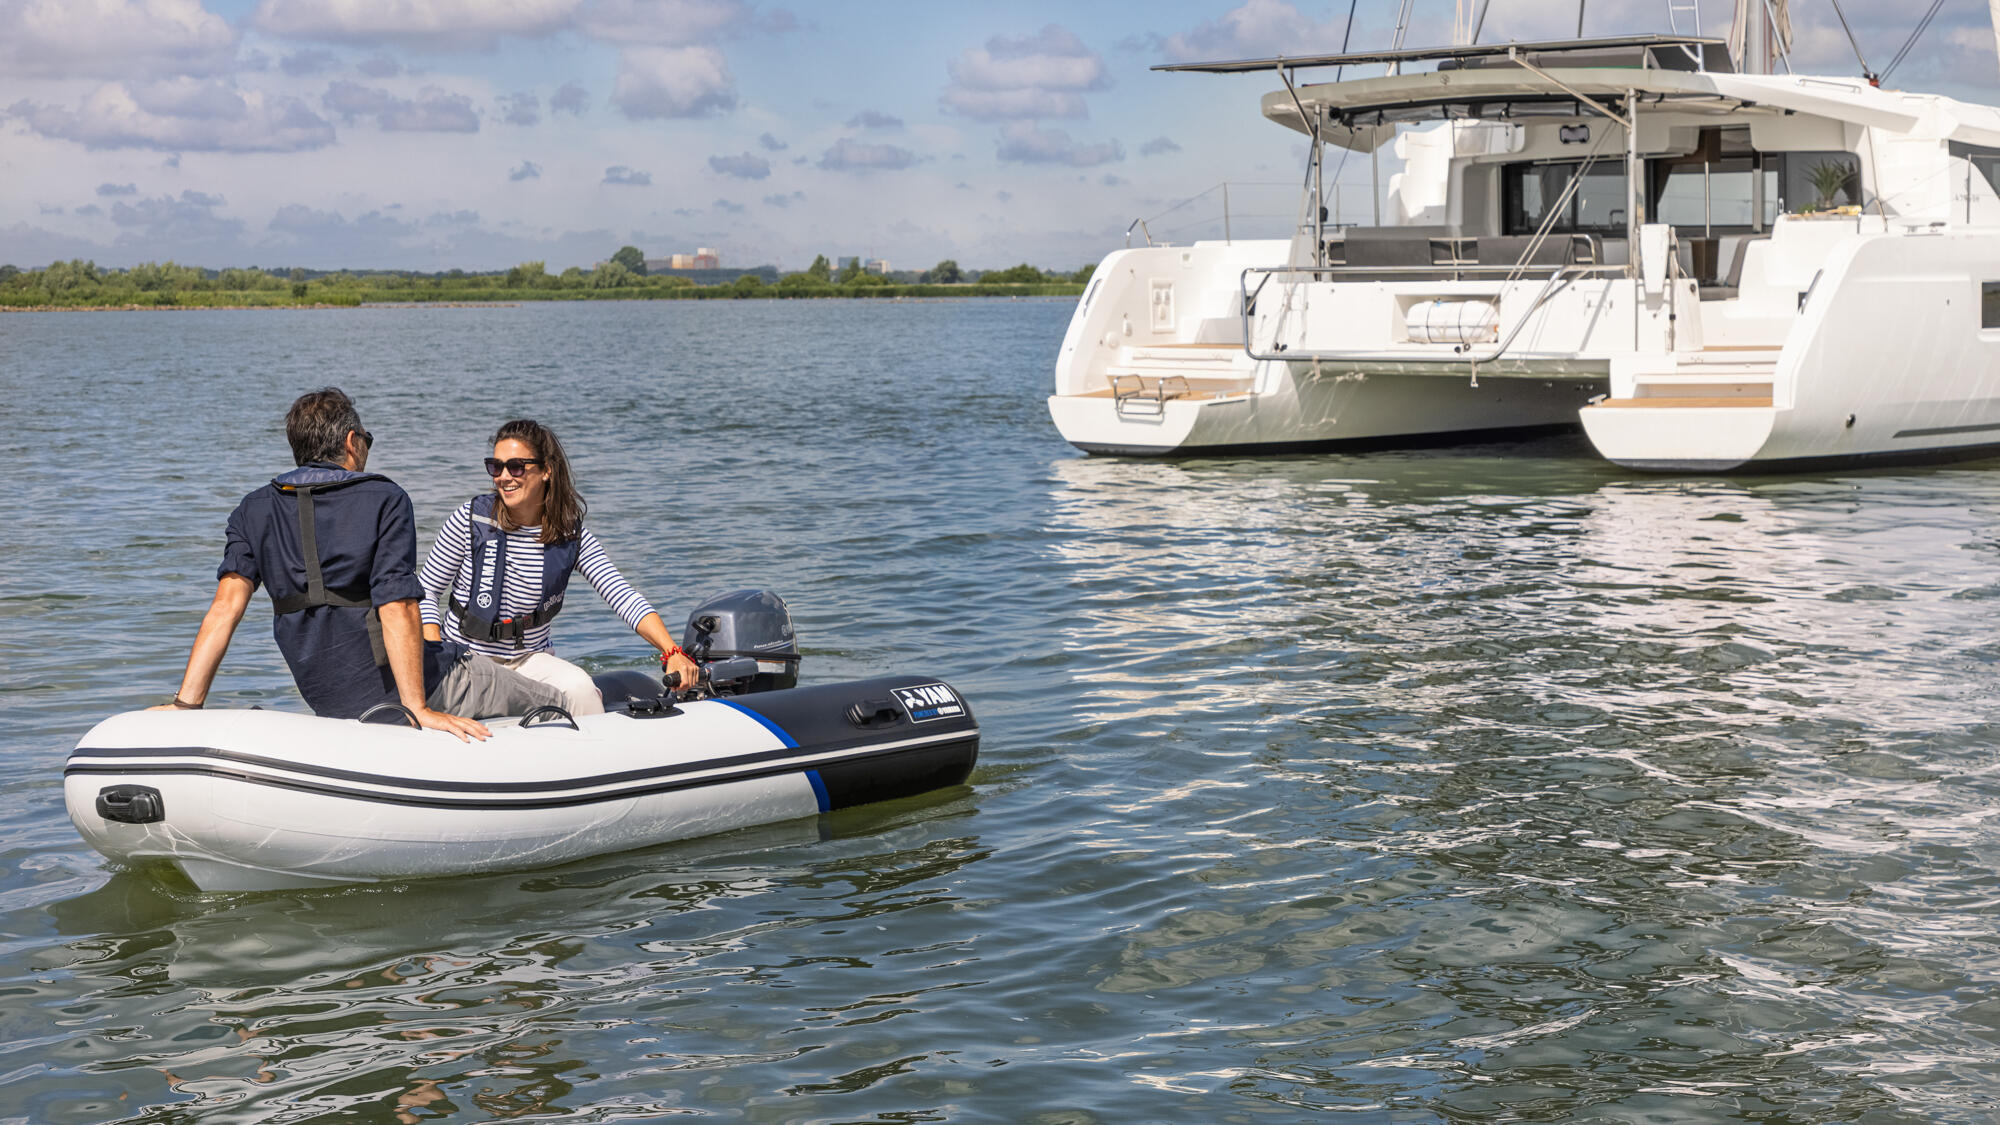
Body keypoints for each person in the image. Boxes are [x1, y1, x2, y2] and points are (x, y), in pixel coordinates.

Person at [151, 388, 566, 739]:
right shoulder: (385, 499)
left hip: (330, 699)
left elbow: (225, 609)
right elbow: (398, 606)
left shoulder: (252, 510)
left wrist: (187, 704)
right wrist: (417, 709)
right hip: (424, 684)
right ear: (352, 442)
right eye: (367, 438)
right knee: (557, 700)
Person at [420, 418, 698, 715]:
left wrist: (672, 651)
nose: (504, 477)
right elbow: (425, 591)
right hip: (467, 657)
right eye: (496, 467)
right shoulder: (469, 520)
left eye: (516, 466)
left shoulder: (570, 537)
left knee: (581, 689)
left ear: (546, 471)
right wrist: (437, 653)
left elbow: (621, 595)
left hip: (529, 660)